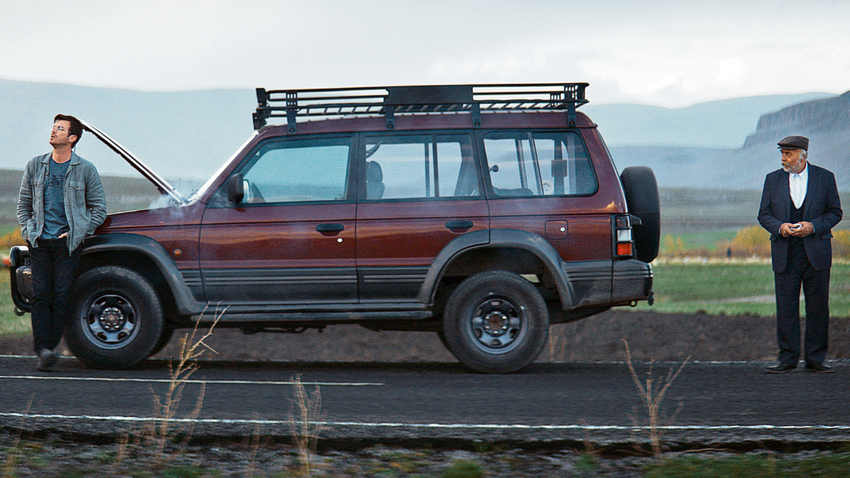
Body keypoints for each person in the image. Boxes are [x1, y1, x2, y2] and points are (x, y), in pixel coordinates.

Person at [17, 114, 107, 371]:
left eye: (60, 128)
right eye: (54, 127)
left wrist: (79, 230)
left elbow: (99, 209)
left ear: (72, 138)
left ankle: (50, 347)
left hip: (68, 244)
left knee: (61, 295)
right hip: (39, 241)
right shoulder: (35, 165)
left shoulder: (86, 169)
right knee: (40, 294)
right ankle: (43, 349)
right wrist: (28, 230)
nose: (53, 132)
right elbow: (23, 205)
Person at [758, 135, 842, 373]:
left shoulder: (825, 178)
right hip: (785, 252)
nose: (784, 158)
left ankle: (816, 359)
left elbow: (835, 212)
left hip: (816, 252)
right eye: (782, 153)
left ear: (803, 154)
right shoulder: (772, 180)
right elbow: (763, 215)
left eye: (789, 153)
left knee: (818, 307)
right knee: (786, 308)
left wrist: (812, 226)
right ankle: (788, 359)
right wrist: (780, 227)